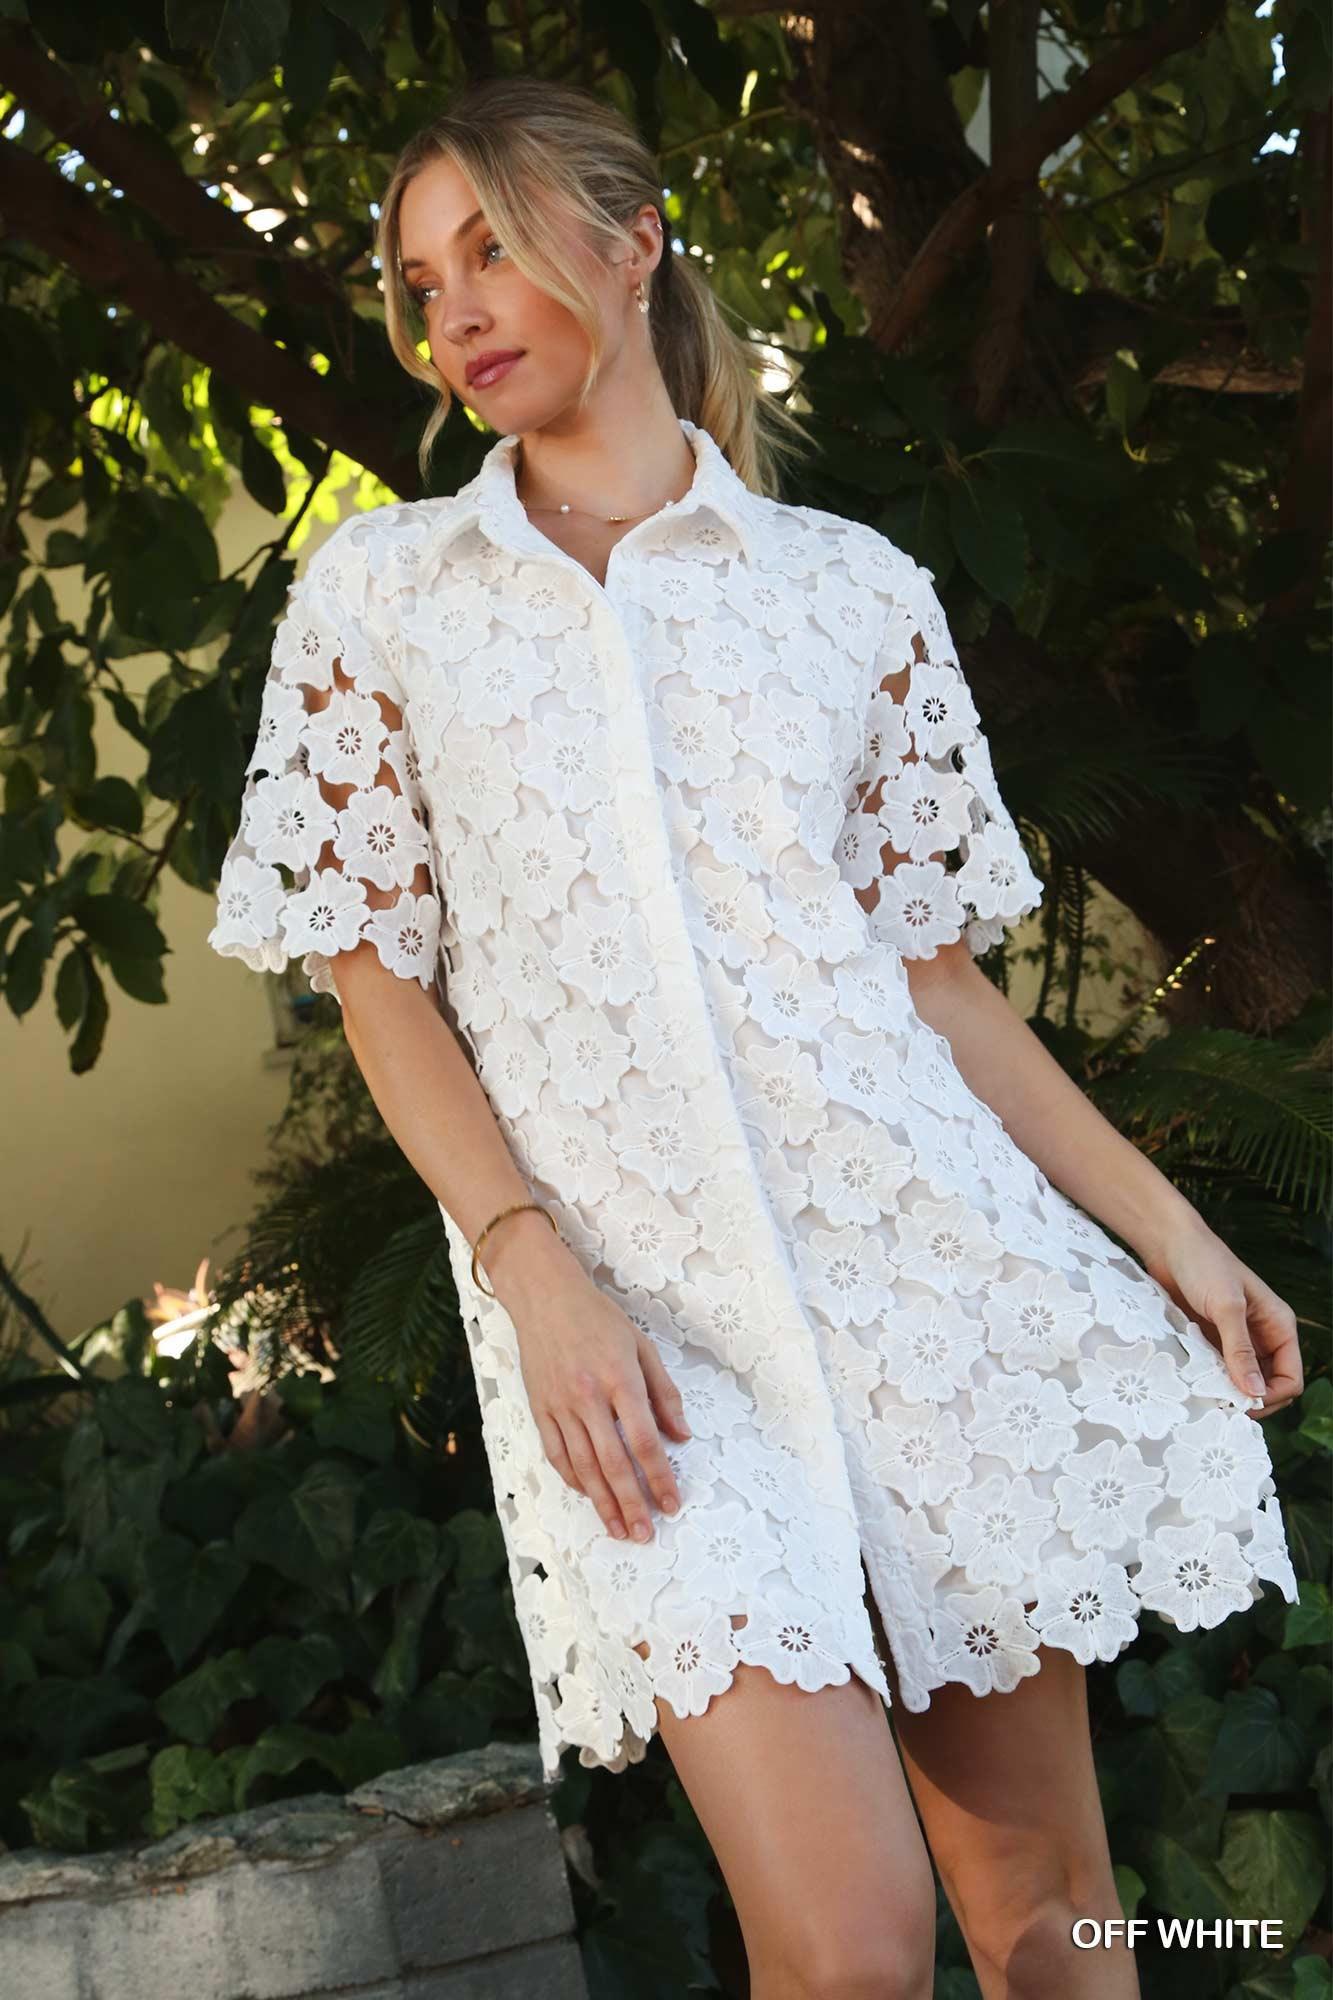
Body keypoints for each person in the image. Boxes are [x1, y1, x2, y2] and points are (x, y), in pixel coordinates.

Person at [208, 74, 1305, 2000]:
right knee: (854, 1946)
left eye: (493, 247)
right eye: (416, 279)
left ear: (632, 250)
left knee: (1055, 1917)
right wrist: (531, 1269)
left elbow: (933, 984)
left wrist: (1174, 1235)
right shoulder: (383, 600)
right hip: (635, 1345)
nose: (452, 308)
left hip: (926, 1289)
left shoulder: (847, 597)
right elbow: (374, 976)